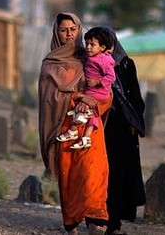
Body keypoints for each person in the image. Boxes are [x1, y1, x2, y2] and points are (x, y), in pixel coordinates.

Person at [39, 12, 112, 235]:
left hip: (90, 127)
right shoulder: (50, 64)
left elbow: (107, 93)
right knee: (69, 176)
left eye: (73, 29)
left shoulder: (91, 58)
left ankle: (95, 219)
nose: (69, 34)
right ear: (56, 32)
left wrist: (91, 101)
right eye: (64, 30)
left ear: (79, 30)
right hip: (65, 127)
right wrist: (74, 98)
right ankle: (71, 222)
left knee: (93, 172)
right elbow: (47, 100)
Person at [101, 25, 146, 235]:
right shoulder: (90, 65)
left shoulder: (126, 64)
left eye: (107, 42)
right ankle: (99, 219)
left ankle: (115, 223)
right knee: (101, 174)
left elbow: (135, 98)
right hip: (100, 126)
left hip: (123, 129)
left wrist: (134, 121)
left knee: (120, 175)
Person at [56, 27, 115, 151]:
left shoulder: (103, 60)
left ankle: (72, 130)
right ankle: (86, 138)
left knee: (82, 107)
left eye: (92, 44)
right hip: (95, 92)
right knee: (92, 113)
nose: (88, 47)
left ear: (102, 48)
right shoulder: (90, 55)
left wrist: (97, 81)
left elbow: (111, 77)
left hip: (98, 91)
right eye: (87, 43)